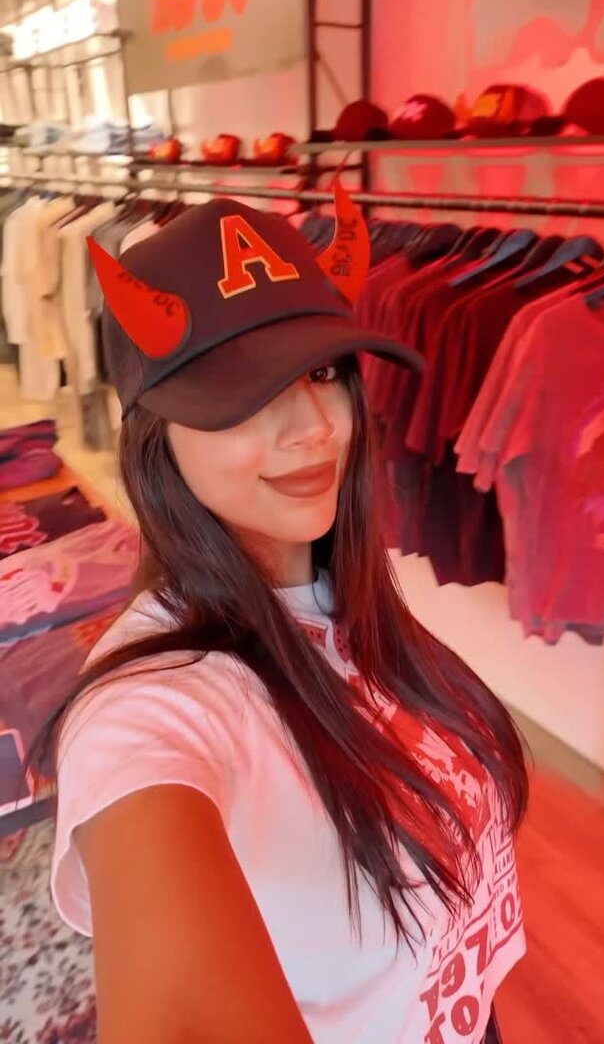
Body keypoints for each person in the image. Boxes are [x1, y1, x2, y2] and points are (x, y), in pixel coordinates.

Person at [43, 185, 527, 1043]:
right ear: (156, 434)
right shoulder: (152, 708)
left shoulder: (350, 599)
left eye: (322, 372)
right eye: (245, 388)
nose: (313, 428)